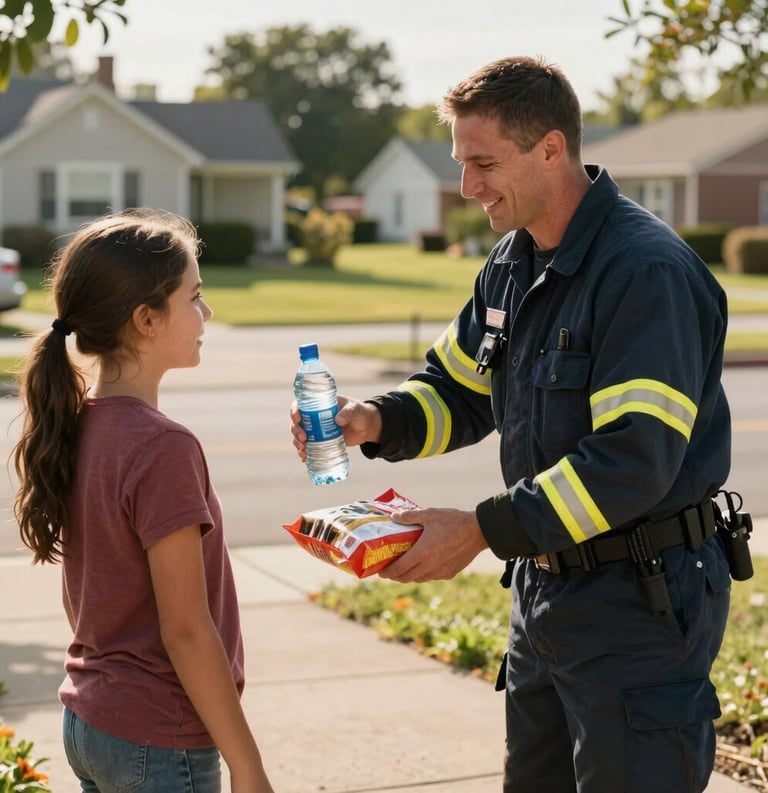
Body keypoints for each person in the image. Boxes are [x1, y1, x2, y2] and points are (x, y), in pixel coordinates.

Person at [291, 56, 737, 793]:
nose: (468, 187)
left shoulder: (644, 272)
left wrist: (478, 529)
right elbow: (460, 390)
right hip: (545, 597)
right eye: (462, 163)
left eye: (484, 163)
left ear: (552, 148)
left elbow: (630, 462)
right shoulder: (510, 262)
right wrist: (373, 419)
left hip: (641, 608)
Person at [14, 209, 275, 793]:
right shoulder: (163, 446)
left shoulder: (79, 424)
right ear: (146, 320)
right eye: (195, 297)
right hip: (157, 740)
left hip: (90, 721)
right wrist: (248, 766)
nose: (206, 313)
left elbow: (92, 595)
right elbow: (185, 629)